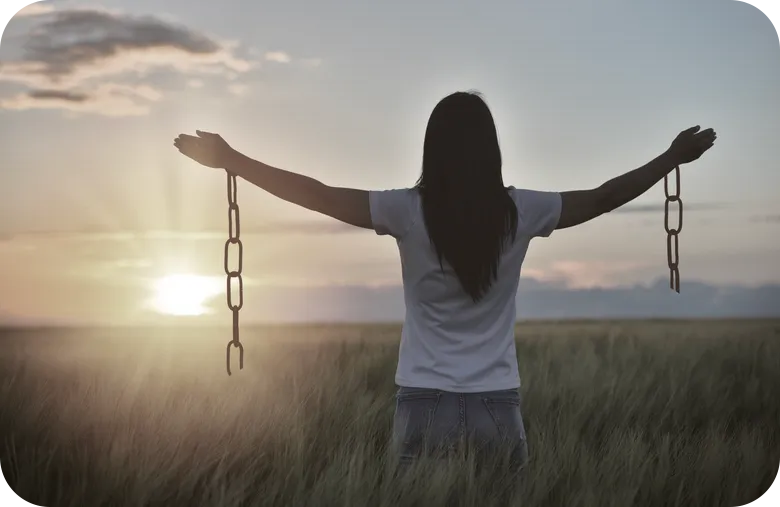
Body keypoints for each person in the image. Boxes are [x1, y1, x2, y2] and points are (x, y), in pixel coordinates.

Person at [173, 91, 716, 472]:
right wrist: (671, 157)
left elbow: (316, 192)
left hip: (421, 404)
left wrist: (233, 160)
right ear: (491, 148)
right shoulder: (521, 211)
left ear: (432, 147)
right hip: (497, 405)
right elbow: (598, 200)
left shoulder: (405, 211)